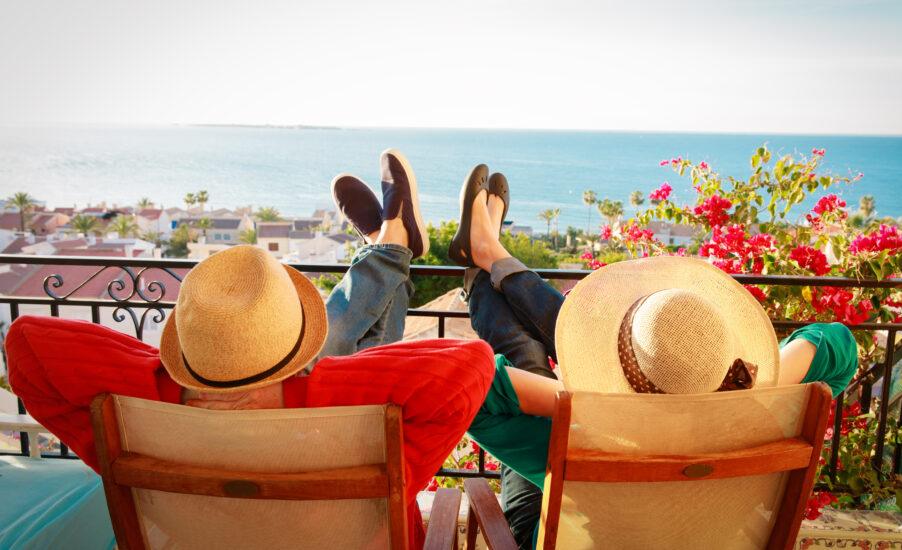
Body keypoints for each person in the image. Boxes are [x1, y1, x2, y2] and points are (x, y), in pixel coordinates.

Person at [6, 149, 494, 550]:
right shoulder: (331, 417)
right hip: (362, 533)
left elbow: (27, 344)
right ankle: (391, 247)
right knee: (346, 348)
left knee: (346, 343)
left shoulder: (140, 429)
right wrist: (303, 387)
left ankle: (389, 247)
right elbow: (471, 365)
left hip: (203, 535)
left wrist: (194, 388)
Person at [448, 166, 860, 549]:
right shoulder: (747, 437)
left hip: (557, 525)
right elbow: (839, 344)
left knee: (523, 358)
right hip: (682, 524)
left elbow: (468, 384)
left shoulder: (598, 445)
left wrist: (590, 403)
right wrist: (752, 393)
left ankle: (485, 256)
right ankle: (489, 253)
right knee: (534, 357)